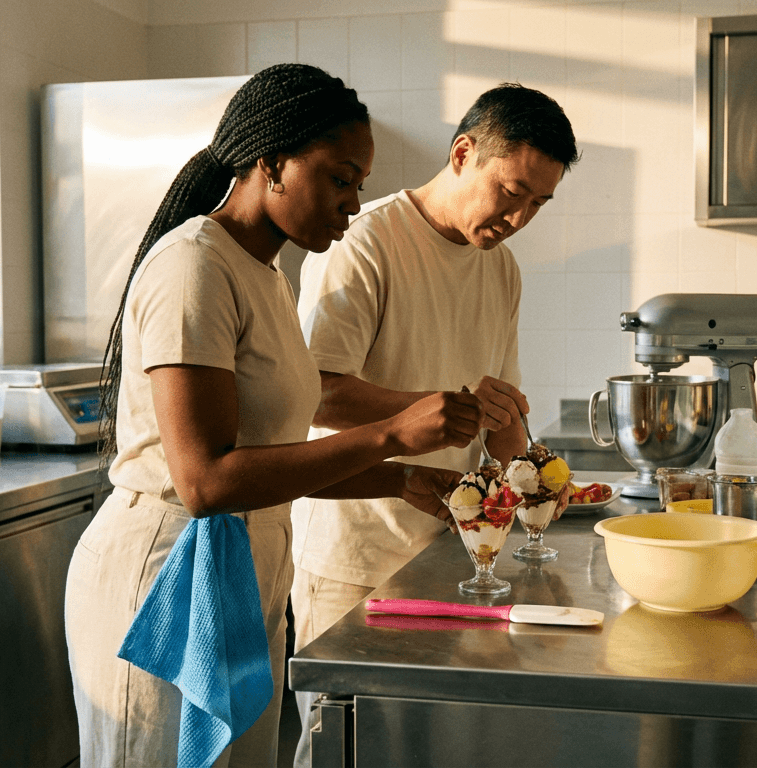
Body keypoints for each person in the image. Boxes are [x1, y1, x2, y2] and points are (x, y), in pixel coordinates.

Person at [64, 64, 493, 767]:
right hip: (167, 574)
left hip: (246, 566)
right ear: (271, 164)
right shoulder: (193, 268)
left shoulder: (264, 277)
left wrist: (402, 478)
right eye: (339, 178)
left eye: (359, 184)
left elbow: (271, 458)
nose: (352, 203)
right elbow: (206, 482)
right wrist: (390, 432)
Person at [288, 83, 579, 760]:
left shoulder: (500, 269)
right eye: (511, 191)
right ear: (462, 153)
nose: (519, 217)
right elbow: (316, 394)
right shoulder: (364, 241)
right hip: (355, 558)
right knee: (347, 751)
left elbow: (499, 415)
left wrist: (531, 476)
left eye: (538, 203)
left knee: (424, 750)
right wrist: (442, 406)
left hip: (454, 556)